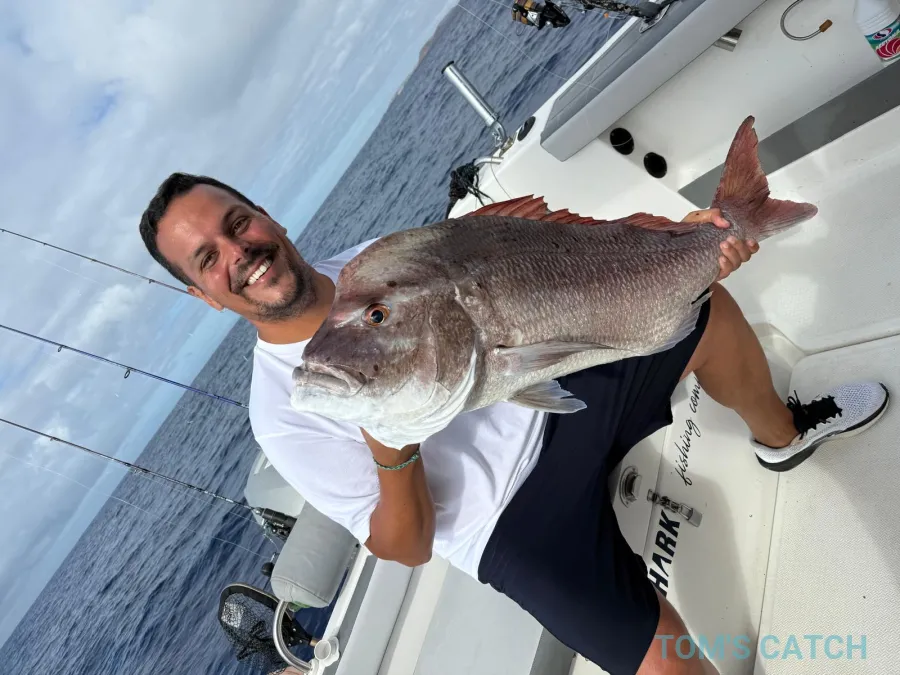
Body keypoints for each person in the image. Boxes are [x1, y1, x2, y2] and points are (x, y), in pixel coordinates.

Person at [139, 174, 888, 675]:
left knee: (702, 309)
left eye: (238, 223)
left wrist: (681, 242)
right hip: (505, 521)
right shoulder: (284, 410)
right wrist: (391, 445)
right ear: (205, 294)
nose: (240, 252)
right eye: (208, 259)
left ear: (266, 216)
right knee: (671, 666)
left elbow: (563, 262)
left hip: (545, 387)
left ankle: (782, 437)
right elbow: (405, 545)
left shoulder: (382, 261)